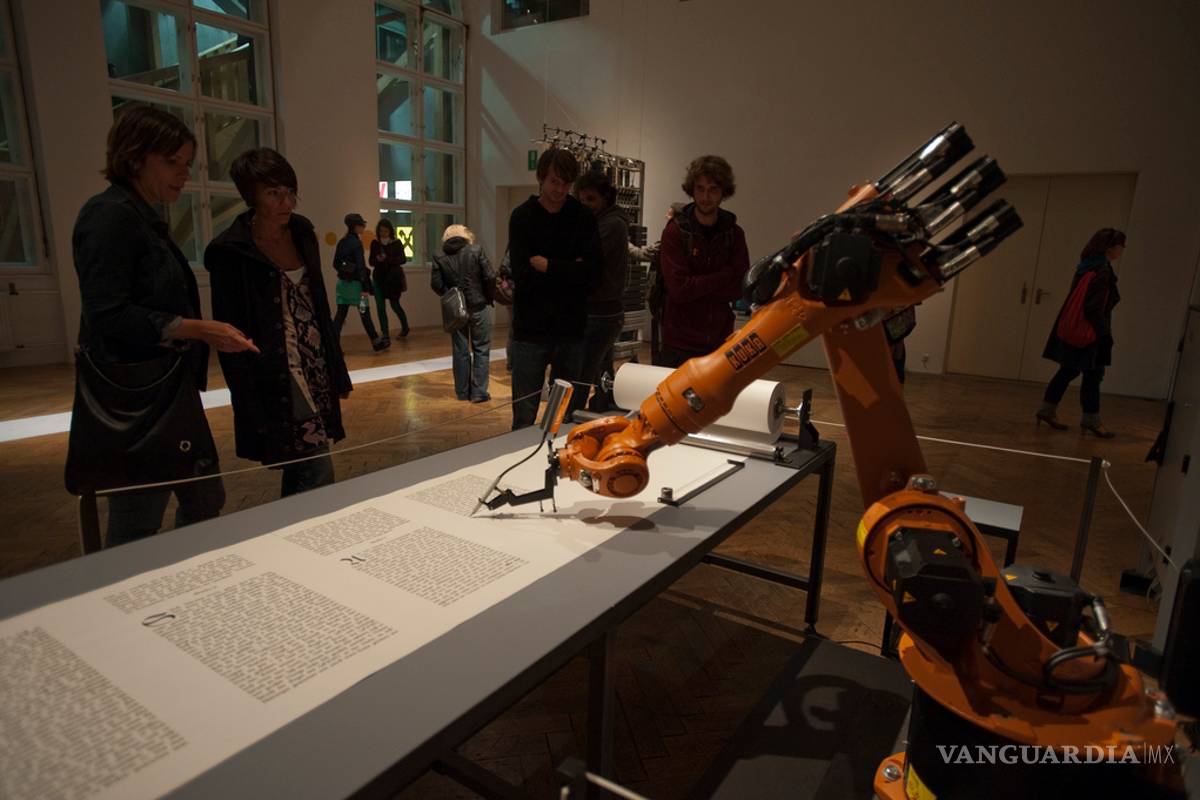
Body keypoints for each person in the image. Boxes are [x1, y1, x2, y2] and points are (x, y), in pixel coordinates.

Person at [71, 106, 257, 547]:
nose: (184, 174)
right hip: (139, 396)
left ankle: (173, 578)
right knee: (139, 516)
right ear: (136, 157)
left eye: (187, 164)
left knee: (204, 497)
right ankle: (129, 593)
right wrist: (197, 329)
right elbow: (108, 314)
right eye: (173, 162)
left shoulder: (141, 216)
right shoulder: (109, 216)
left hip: (165, 391)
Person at [205, 148, 353, 496]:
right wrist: (245, 397)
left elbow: (319, 301)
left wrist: (337, 367)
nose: (286, 202)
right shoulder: (230, 251)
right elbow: (230, 331)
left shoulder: (302, 233)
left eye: (290, 191)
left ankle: (290, 533)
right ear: (250, 195)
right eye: (274, 193)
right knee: (318, 467)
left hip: (314, 362)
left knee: (301, 461)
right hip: (278, 372)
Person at [507, 148, 602, 429]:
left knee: (563, 417)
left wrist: (548, 266)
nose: (560, 190)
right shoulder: (522, 216)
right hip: (530, 329)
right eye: (554, 182)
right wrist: (571, 268)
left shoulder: (583, 217)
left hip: (570, 329)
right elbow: (522, 275)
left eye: (566, 183)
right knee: (524, 416)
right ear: (541, 178)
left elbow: (593, 273)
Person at [654, 155, 750, 368]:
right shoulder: (675, 232)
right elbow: (679, 289)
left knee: (716, 402)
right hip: (678, 342)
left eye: (713, 189)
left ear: (723, 192)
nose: (706, 196)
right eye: (700, 189)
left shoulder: (734, 234)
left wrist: (696, 284)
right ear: (692, 190)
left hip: (720, 340)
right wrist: (724, 275)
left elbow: (739, 288)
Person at [1037, 228, 1126, 438]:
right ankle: (1091, 420)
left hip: (1077, 329)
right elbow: (1093, 308)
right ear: (1111, 247)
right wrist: (1103, 333)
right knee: (1093, 375)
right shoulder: (1102, 270)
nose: (1122, 250)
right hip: (1090, 333)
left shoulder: (1087, 265)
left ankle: (1047, 410)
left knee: (1068, 370)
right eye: (1121, 245)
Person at [573, 170, 628, 412]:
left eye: (591, 199)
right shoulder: (602, 223)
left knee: (582, 372)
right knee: (598, 369)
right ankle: (599, 412)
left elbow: (585, 260)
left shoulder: (612, 225)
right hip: (601, 311)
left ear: (605, 198)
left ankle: (570, 420)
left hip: (601, 313)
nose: (586, 205)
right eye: (582, 199)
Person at [431, 224, 496, 403]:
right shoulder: (476, 250)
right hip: (478, 306)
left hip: (456, 311)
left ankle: (462, 392)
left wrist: (452, 296)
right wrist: (487, 297)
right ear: (465, 236)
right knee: (481, 348)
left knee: (460, 351)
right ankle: (479, 392)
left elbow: (436, 284)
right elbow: (490, 276)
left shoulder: (439, 256)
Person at [333, 212, 386, 352]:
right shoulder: (356, 243)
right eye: (362, 225)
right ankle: (376, 342)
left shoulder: (342, 242)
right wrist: (365, 286)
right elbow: (361, 267)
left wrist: (346, 270)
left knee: (340, 315)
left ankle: (333, 345)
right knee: (364, 313)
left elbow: (335, 264)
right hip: (357, 287)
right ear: (356, 227)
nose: (363, 227)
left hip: (342, 286)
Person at [368, 218, 410, 344]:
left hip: (392, 280)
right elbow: (371, 261)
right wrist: (378, 260)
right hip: (378, 279)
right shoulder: (375, 243)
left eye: (385, 231)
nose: (383, 234)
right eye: (381, 231)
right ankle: (385, 333)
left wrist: (387, 259)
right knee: (380, 307)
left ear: (390, 231)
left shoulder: (397, 243)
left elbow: (402, 259)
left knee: (395, 305)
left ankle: (405, 327)